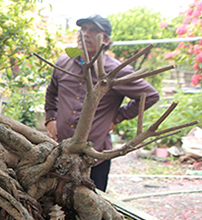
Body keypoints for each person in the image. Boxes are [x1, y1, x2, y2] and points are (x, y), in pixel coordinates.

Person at [44, 15, 159, 191]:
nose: (86, 34)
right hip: (62, 149)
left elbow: (149, 95)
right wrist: (50, 118)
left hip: (94, 155)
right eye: (83, 29)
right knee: (56, 202)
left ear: (105, 40)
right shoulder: (63, 63)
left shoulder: (115, 71)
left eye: (94, 30)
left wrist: (117, 117)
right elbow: (52, 93)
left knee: (91, 205)